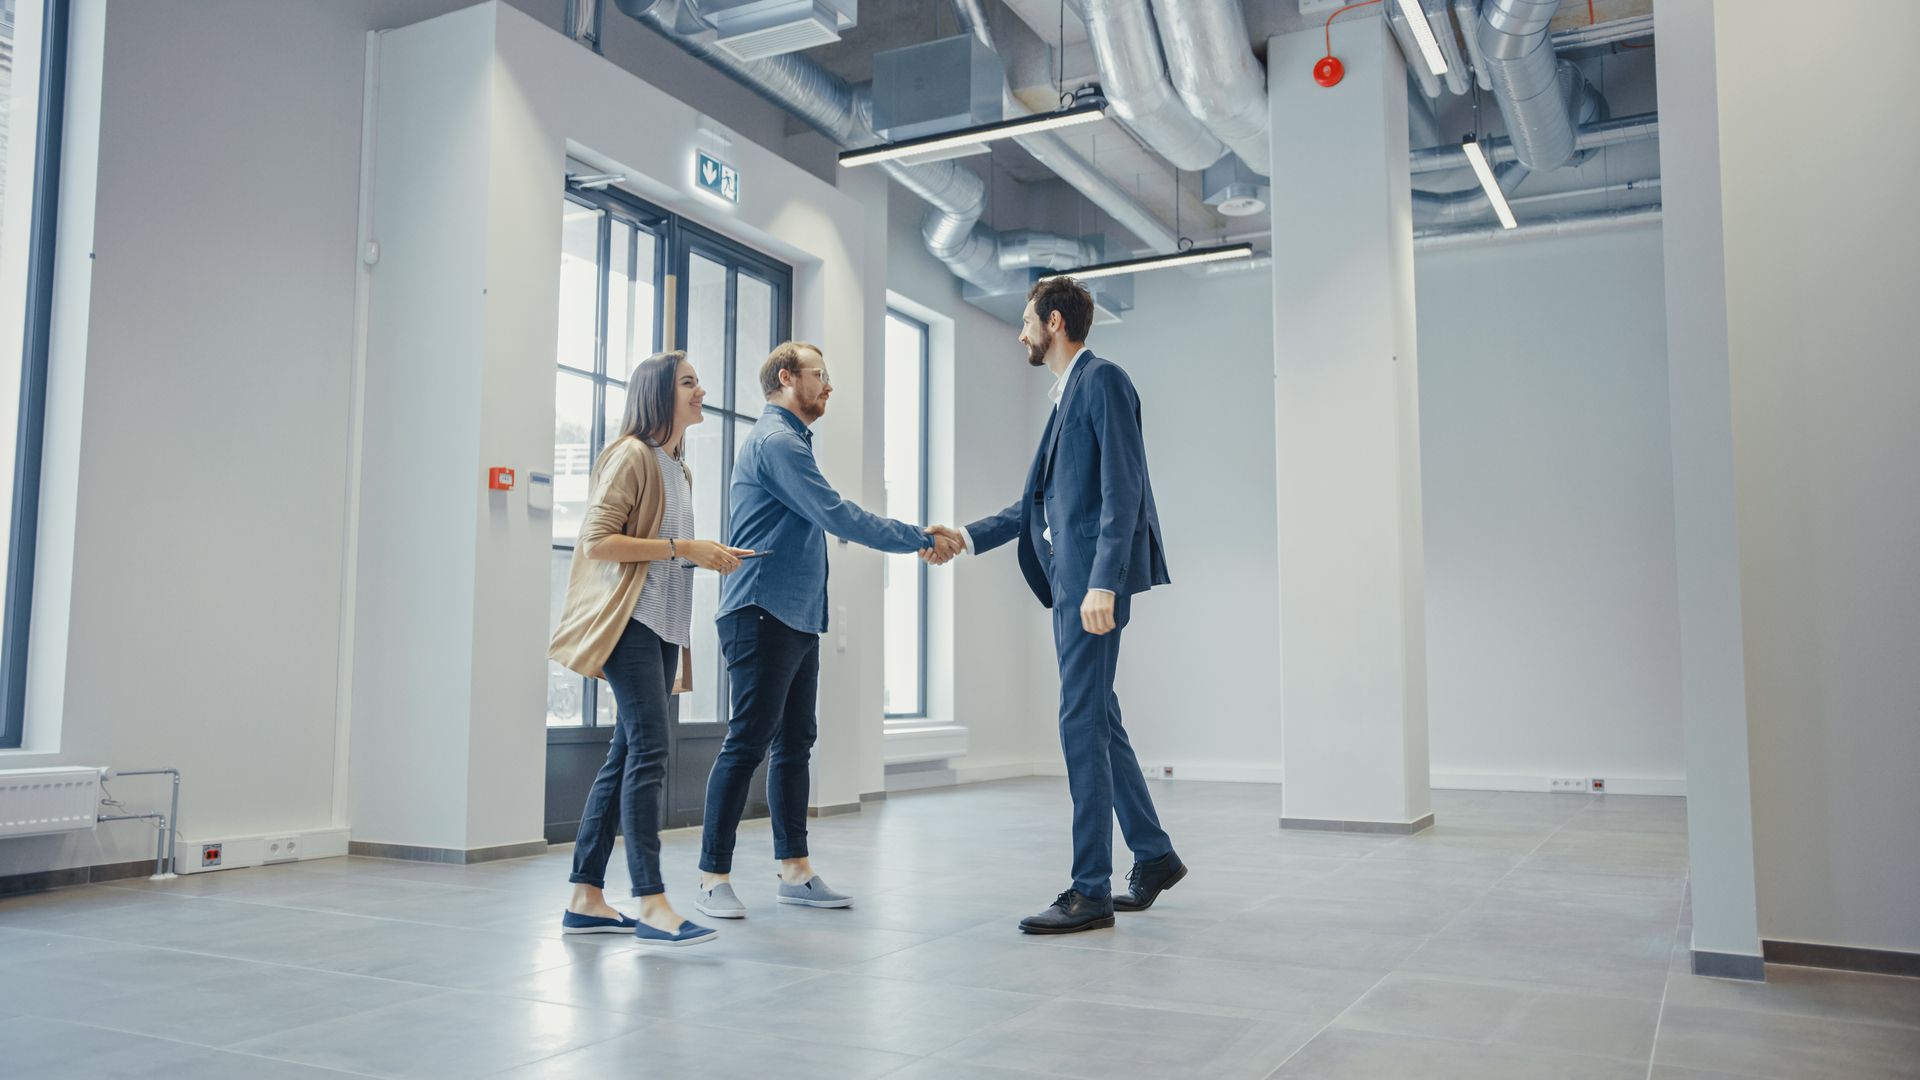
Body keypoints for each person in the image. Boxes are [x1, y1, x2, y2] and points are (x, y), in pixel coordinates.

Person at [948, 277, 1185, 934]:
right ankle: (1154, 856)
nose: (1020, 333)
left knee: (1079, 721)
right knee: (1099, 718)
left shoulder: (1102, 380)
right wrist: (965, 536)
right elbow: (1037, 506)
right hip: (1070, 580)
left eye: (1026, 321)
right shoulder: (1065, 398)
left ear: (1054, 322)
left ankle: (1090, 890)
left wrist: (1105, 582)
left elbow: (1124, 486)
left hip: (1089, 585)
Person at [693, 341, 961, 920]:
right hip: (760, 610)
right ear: (787, 378)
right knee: (748, 742)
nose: (829, 385)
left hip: (793, 615)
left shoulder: (791, 441)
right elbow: (837, 515)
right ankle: (712, 878)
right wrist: (920, 537)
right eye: (820, 374)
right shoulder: (777, 441)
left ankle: (795, 871)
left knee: (796, 743)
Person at [549, 350, 753, 948]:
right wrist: (684, 549)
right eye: (689, 382)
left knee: (626, 753)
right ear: (658, 394)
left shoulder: (678, 469)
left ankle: (586, 897)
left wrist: (704, 554)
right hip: (630, 626)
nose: (701, 391)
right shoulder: (632, 455)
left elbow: (666, 549)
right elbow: (598, 540)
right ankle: (652, 901)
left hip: (663, 628)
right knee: (650, 751)